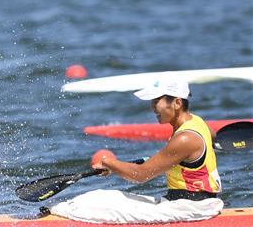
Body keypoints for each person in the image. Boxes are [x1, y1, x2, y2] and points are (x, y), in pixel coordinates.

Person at [92, 78, 221, 200]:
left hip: (190, 207)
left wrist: (108, 162)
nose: (152, 107)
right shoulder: (197, 121)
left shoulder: (185, 139)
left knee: (100, 200)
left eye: (156, 101)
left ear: (177, 103)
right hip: (194, 200)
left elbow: (140, 175)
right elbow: (213, 137)